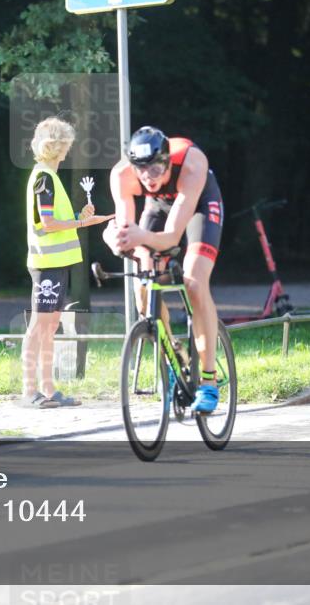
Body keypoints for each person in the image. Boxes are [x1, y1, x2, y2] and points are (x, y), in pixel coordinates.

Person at [103, 126, 224, 413]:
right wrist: (116, 240)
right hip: (158, 208)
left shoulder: (192, 164)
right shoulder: (122, 176)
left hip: (199, 207)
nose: (148, 177)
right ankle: (173, 355)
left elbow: (170, 238)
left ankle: (209, 380)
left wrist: (138, 237)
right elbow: (128, 234)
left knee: (194, 281)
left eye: (156, 169)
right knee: (142, 285)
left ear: (168, 160)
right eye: (142, 170)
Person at [22, 117, 113, 409]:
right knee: (39, 325)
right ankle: (30, 390)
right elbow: (47, 224)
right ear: (58, 146)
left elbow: (50, 220)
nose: (69, 149)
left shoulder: (47, 176)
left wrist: (78, 217)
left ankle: (48, 390)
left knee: (50, 326)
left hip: (56, 262)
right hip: (47, 263)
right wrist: (82, 221)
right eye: (67, 144)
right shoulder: (45, 178)